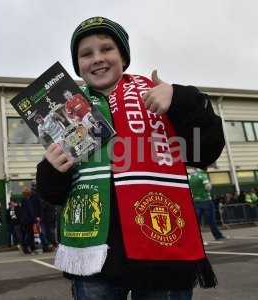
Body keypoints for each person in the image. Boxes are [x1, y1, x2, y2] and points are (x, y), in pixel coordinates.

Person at [36, 16, 225, 300]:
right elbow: (53, 194)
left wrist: (182, 98)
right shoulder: (65, 113)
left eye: (106, 49)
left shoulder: (158, 94)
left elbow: (206, 151)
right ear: (78, 65)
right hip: (95, 261)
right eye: (86, 54)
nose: (97, 59)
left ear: (122, 56)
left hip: (162, 256)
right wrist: (52, 169)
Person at [189, 167, 226, 241]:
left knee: (196, 223)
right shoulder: (202, 175)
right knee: (211, 221)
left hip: (196, 201)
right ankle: (218, 236)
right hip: (206, 200)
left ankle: (194, 239)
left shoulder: (190, 177)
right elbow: (208, 187)